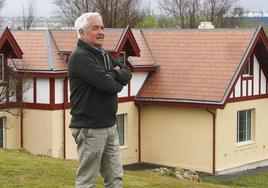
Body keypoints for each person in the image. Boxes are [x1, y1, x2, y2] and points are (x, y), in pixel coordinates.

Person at [67, 12, 132, 188]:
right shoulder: (80, 57)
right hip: (90, 128)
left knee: (115, 177)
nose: (101, 31)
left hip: (109, 126)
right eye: (96, 28)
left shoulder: (102, 54)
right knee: (87, 180)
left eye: (102, 27)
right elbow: (110, 86)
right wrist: (115, 75)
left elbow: (127, 72)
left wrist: (113, 74)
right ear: (82, 32)